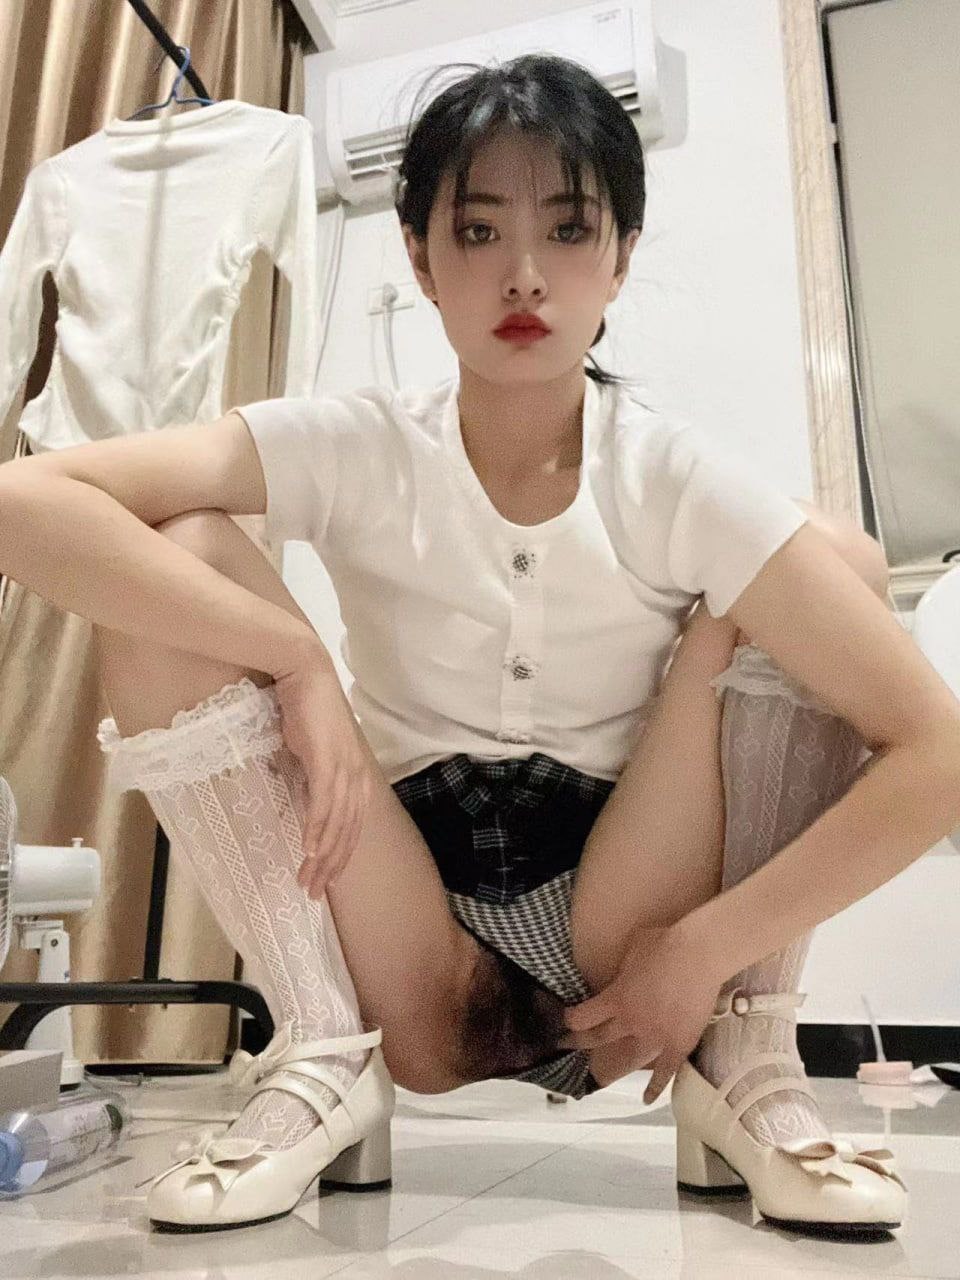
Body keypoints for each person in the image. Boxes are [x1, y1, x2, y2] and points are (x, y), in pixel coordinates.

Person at [0, 54, 910, 1236]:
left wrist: (703, 949)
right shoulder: (358, 443)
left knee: (830, 567)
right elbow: (23, 504)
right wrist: (296, 658)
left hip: (630, 923)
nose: (524, 273)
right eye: (478, 231)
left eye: (568, 229)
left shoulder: (668, 472)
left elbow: (935, 749)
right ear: (421, 260)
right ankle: (320, 1046)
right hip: (408, 938)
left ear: (621, 257)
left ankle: (746, 1053)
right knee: (184, 548)